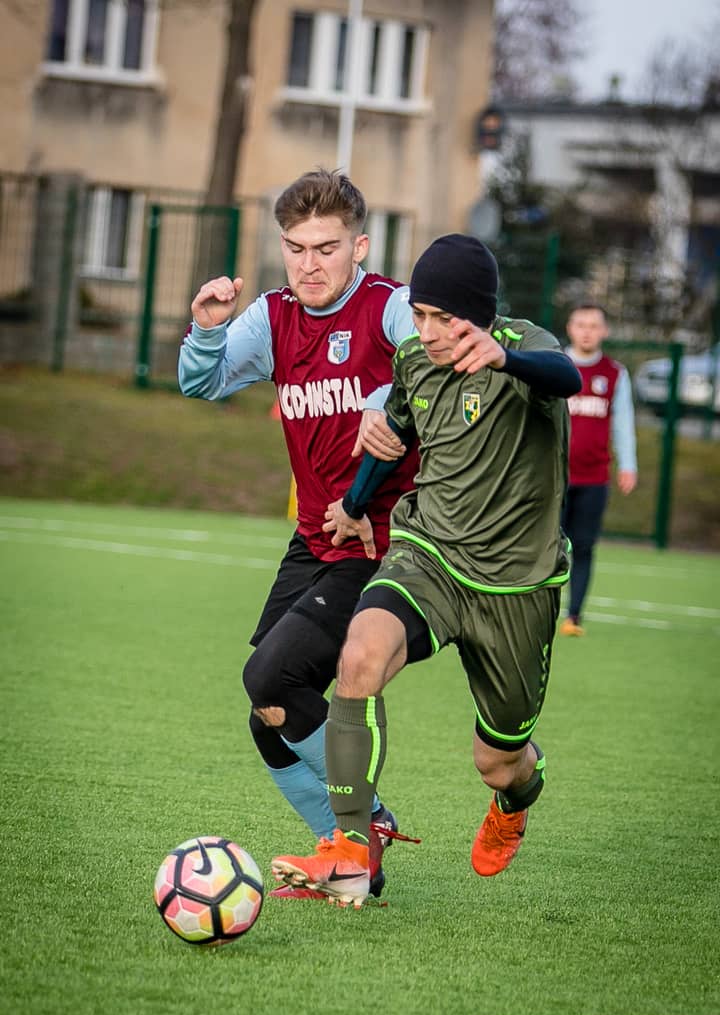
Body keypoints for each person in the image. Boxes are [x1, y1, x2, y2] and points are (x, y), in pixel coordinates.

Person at [177, 172, 485, 899]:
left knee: (272, 679)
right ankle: (351, 863)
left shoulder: (391, 307)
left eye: (326, 248)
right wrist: (208, 329)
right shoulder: (273, 315)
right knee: (269, 716)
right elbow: (202, 383)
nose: (309, 264)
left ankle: (363, 821)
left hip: (385, 542)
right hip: (315, 538)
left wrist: (383, 406)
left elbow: (432, 370)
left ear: (360, 247)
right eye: (296, 248)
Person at [270, 234, 582, 908]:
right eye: (420, 315)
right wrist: (355, 504)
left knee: (498, 762)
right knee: (360, 655)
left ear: (482, 315)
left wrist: (505, 358)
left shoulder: (525, 347)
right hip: (429, 554)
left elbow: (567, 377)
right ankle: (351, 849)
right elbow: (396, 435)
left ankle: (515, 800)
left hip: (515, 585)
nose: (430, 332)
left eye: (446, 318)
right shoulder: (415, 359)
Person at [560, 304, 638, 637]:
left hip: (594, 479)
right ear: (570, 328)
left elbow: (624, 423)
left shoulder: (615, 373)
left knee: (583, 547)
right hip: (553, 478)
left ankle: (574, 616)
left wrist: (628, 464)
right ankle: (538, 610)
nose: (587, 331)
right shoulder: (554, 365)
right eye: (581, 324)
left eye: (594, 325)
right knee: (548, 548)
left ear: (604, 331)